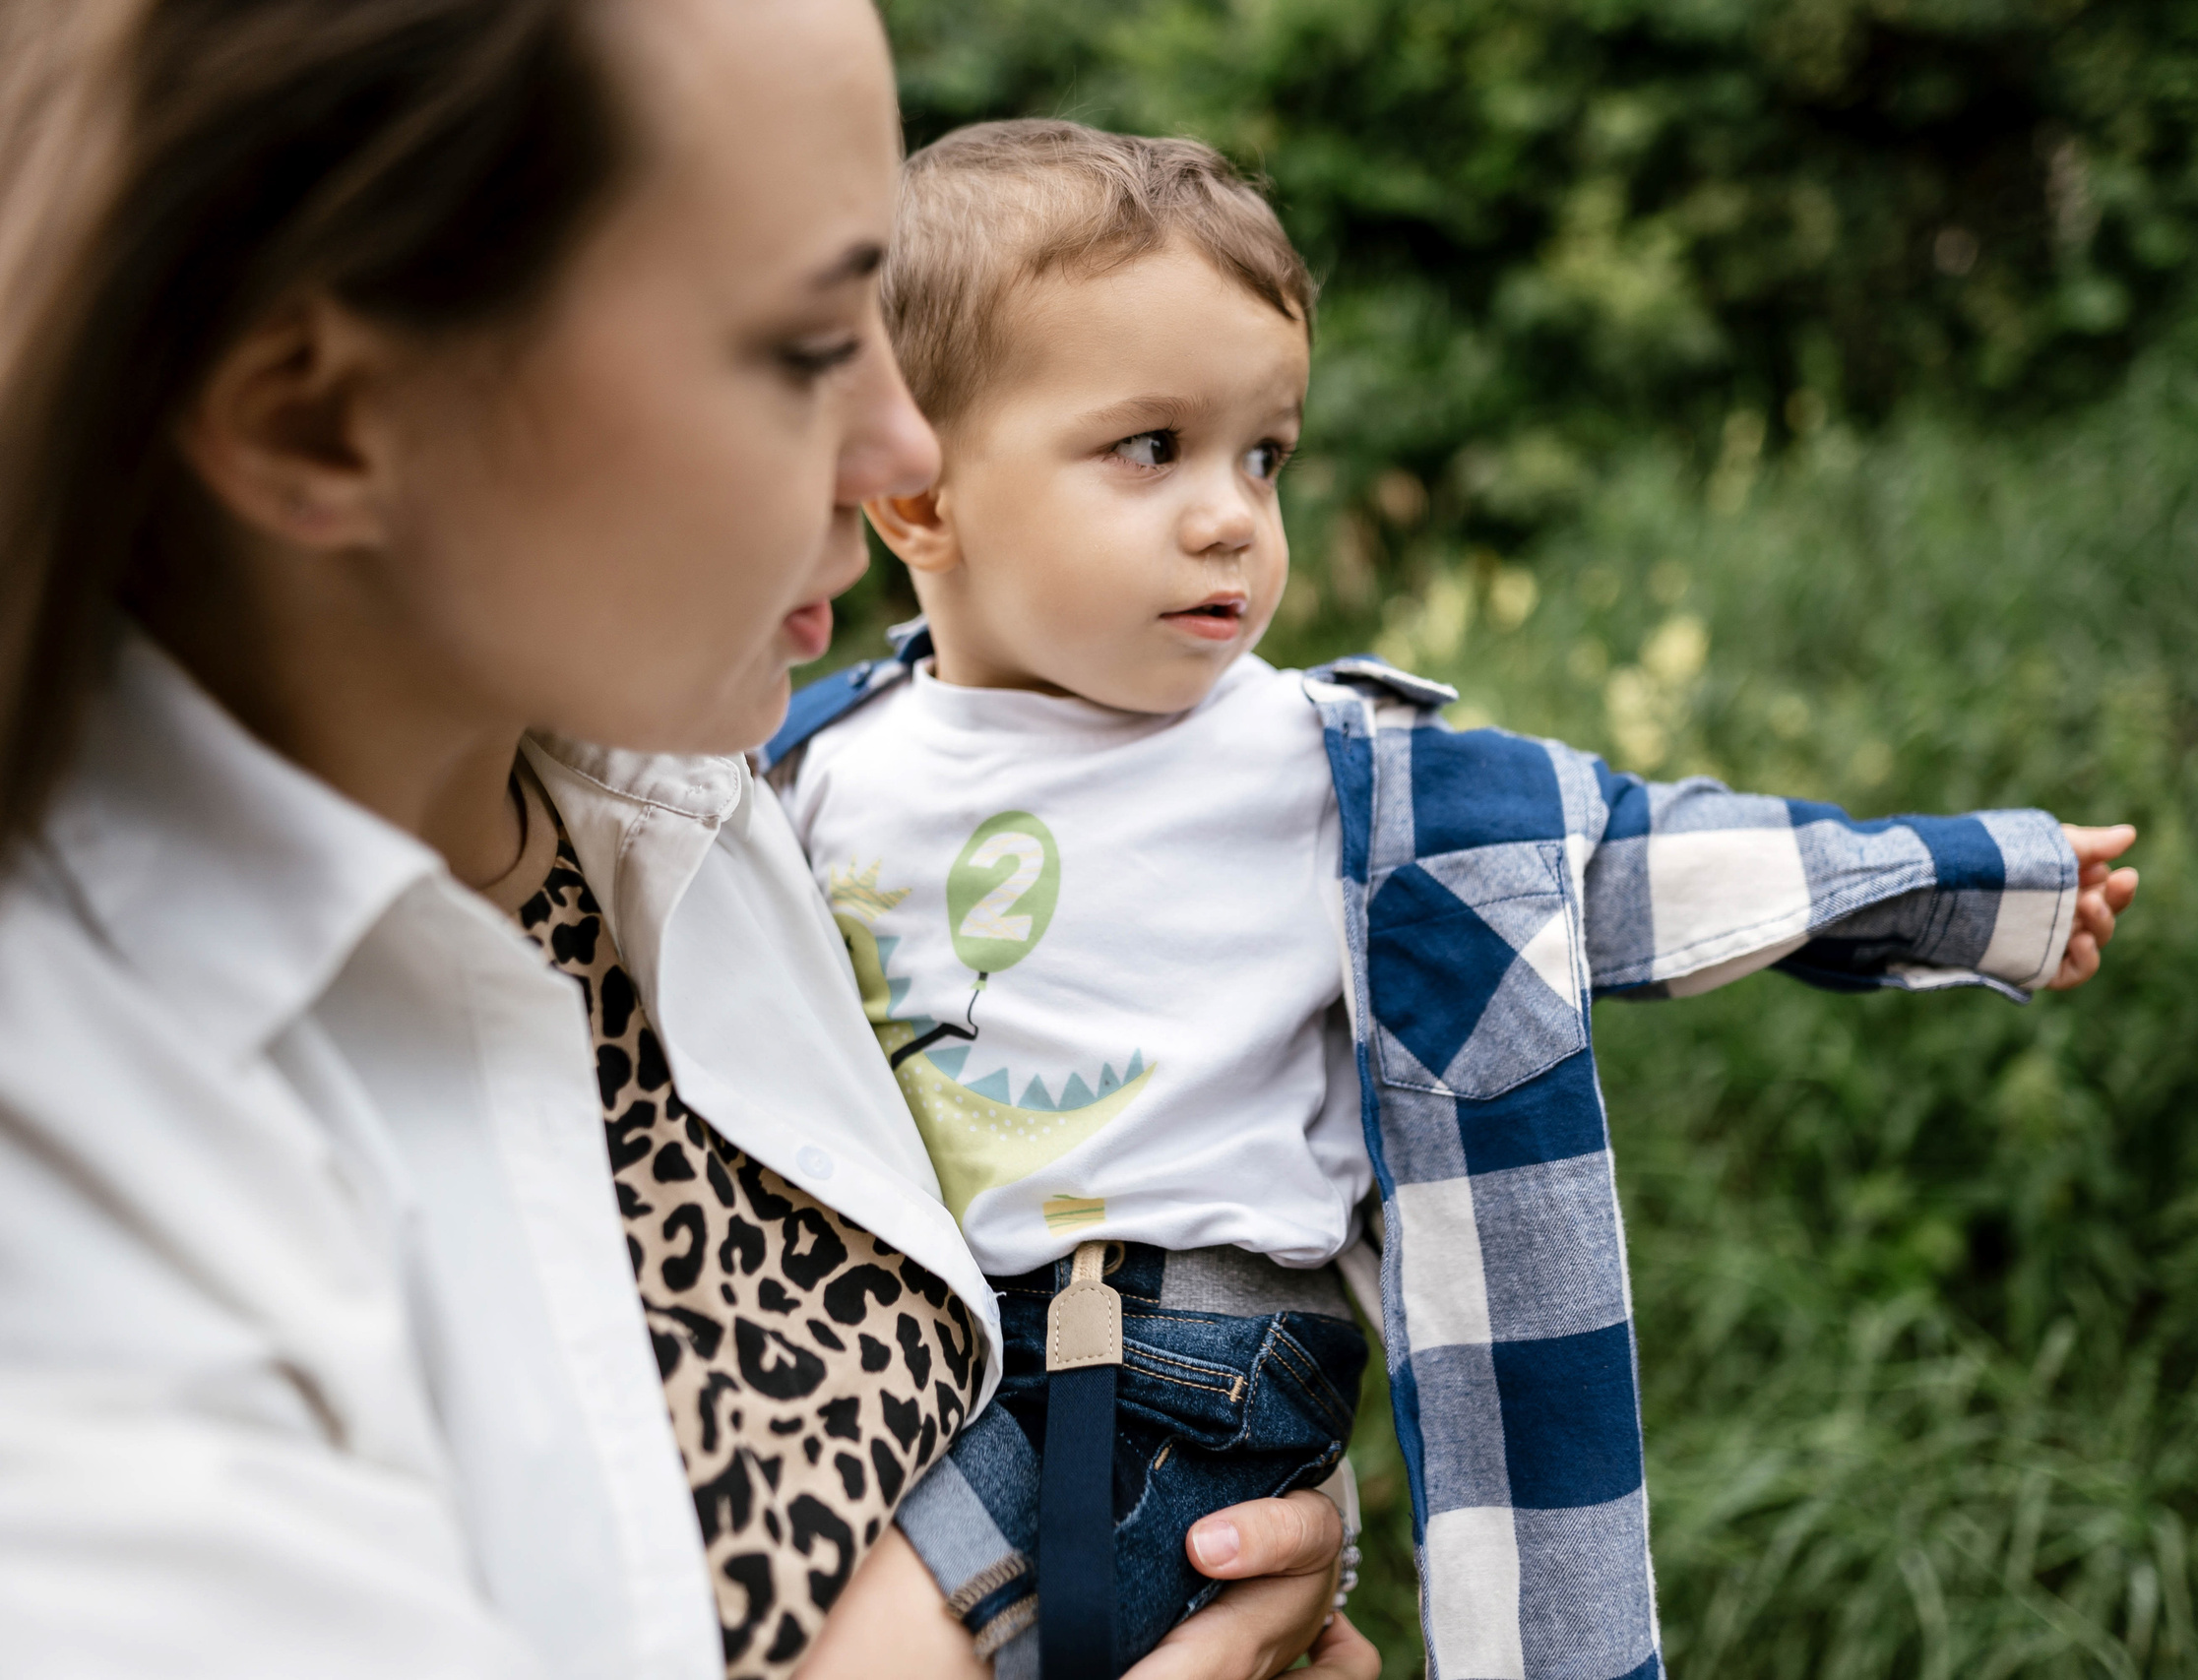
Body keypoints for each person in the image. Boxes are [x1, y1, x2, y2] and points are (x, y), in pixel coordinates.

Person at [0, 9, 1368, 1680]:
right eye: (808, 347)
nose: (908, 452)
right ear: (318, 423)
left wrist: (1187, 1518)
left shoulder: (719, 801)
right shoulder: (70, 1240)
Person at [763, 118, 2145, 1680]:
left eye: (1263, 454)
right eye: (1150, 448)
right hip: (920, 1363)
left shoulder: (1319, 770)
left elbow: (1636, 857)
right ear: (920, 503)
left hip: (1177, 1366)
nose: (1231, 515)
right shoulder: (816, 767)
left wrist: (1977, 887)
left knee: (871, 1653)